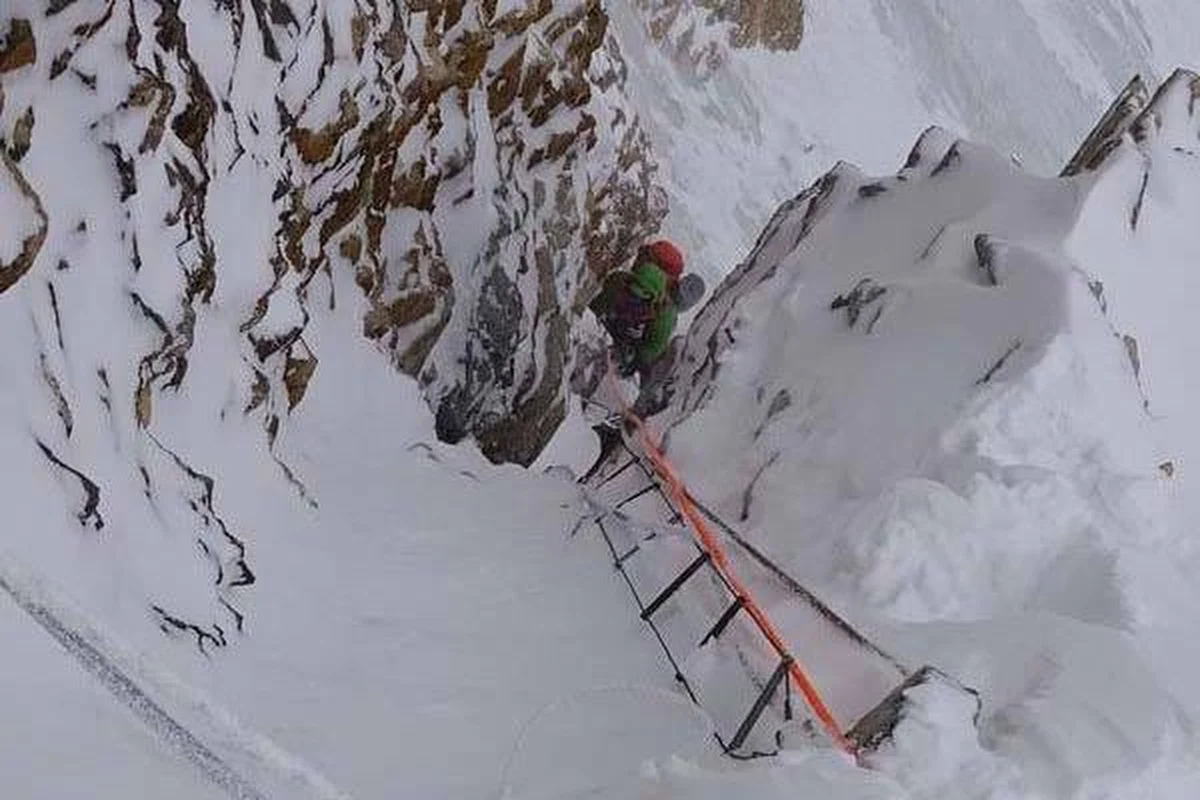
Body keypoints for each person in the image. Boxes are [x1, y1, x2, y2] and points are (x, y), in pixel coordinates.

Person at [589, 240, 704, 379]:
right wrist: (638, 363)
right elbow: (652, 349)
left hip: (598, 322)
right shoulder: (666, 313)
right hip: (618, 348)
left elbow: (604, 293)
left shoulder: (621, 279)